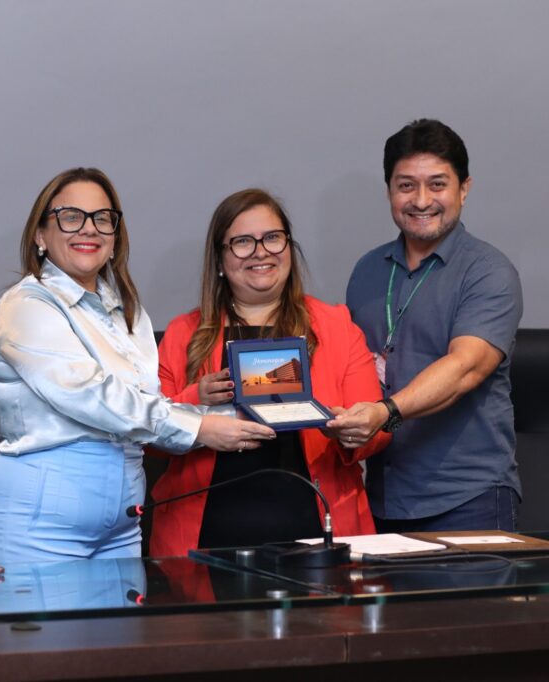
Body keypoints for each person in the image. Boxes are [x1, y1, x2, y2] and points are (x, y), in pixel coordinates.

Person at [0, 168, 275, 564]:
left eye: (103, 218)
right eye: (71, 217)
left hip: (121, 526)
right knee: (51, 629)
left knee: (119, 628)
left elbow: (145, 407)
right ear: (40, 235)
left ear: (115, 237)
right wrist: (202, 425)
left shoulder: (127, 313)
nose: (89, 229)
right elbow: (93, 396)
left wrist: (239, 417)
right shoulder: (27, 305)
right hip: (42, 522)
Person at [150, 189, 390, 557]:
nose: (261, 251)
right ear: (220, 258)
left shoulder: (337, 327)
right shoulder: (184, 334)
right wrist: (193, 400)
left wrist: (353, 428)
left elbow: (376, 434)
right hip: (203, 540)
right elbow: (150, 436)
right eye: (243, 242)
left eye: (273, 238)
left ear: (289, 249)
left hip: (318, 536)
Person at [329, 119, 524, 532]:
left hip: (468, 499)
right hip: (380, 499)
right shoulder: (367, 270)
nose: (421, 200)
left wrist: (386, 412)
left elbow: (465, 368)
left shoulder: (488, 271)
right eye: (405, 186)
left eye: (437, 184)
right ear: (389, 191)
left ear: (464, 189)